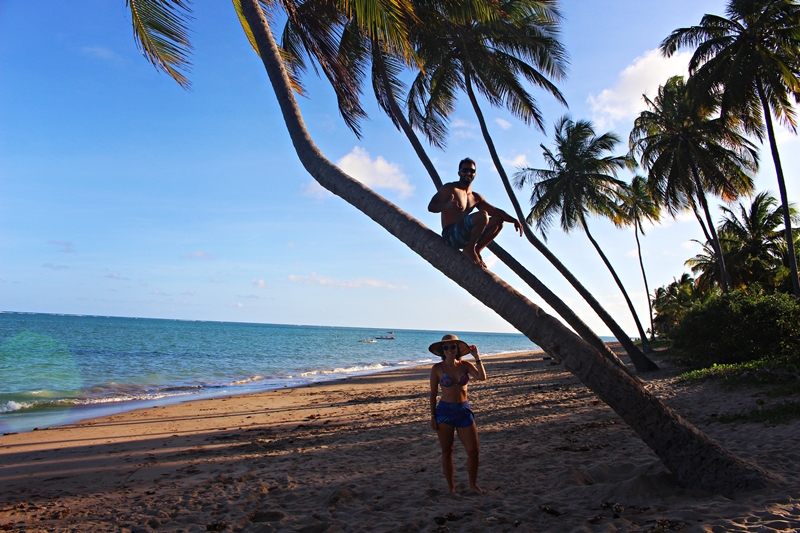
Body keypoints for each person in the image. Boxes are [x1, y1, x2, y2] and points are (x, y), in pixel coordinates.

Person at [428, 158, 522, 268]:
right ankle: (469, 249)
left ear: (475, 174)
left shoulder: (475, 197)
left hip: (465, 236)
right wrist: (446, 206)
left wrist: (514, 220)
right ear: (459, 173)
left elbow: (495, 211)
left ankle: (476, 250)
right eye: (465, 170)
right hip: (451, 236)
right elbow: (431, 206)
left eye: (472, 171)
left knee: (498, 221)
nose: (468, 173)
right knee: (482, 215)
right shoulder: (450, 188)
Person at [429, 334, 487, 495]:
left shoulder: (465, 365)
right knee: (447, 451)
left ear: (457, 349)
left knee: (473, 451)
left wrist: (477, 357)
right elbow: (433, 394)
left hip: (463, 411)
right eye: (445, 347)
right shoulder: (437, 369)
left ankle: (473, 485)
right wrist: (433, 416)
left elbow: (482, 377)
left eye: (452, 346)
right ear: (442, 350)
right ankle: (451, 487)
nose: (449, 350)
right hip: (444, 412)